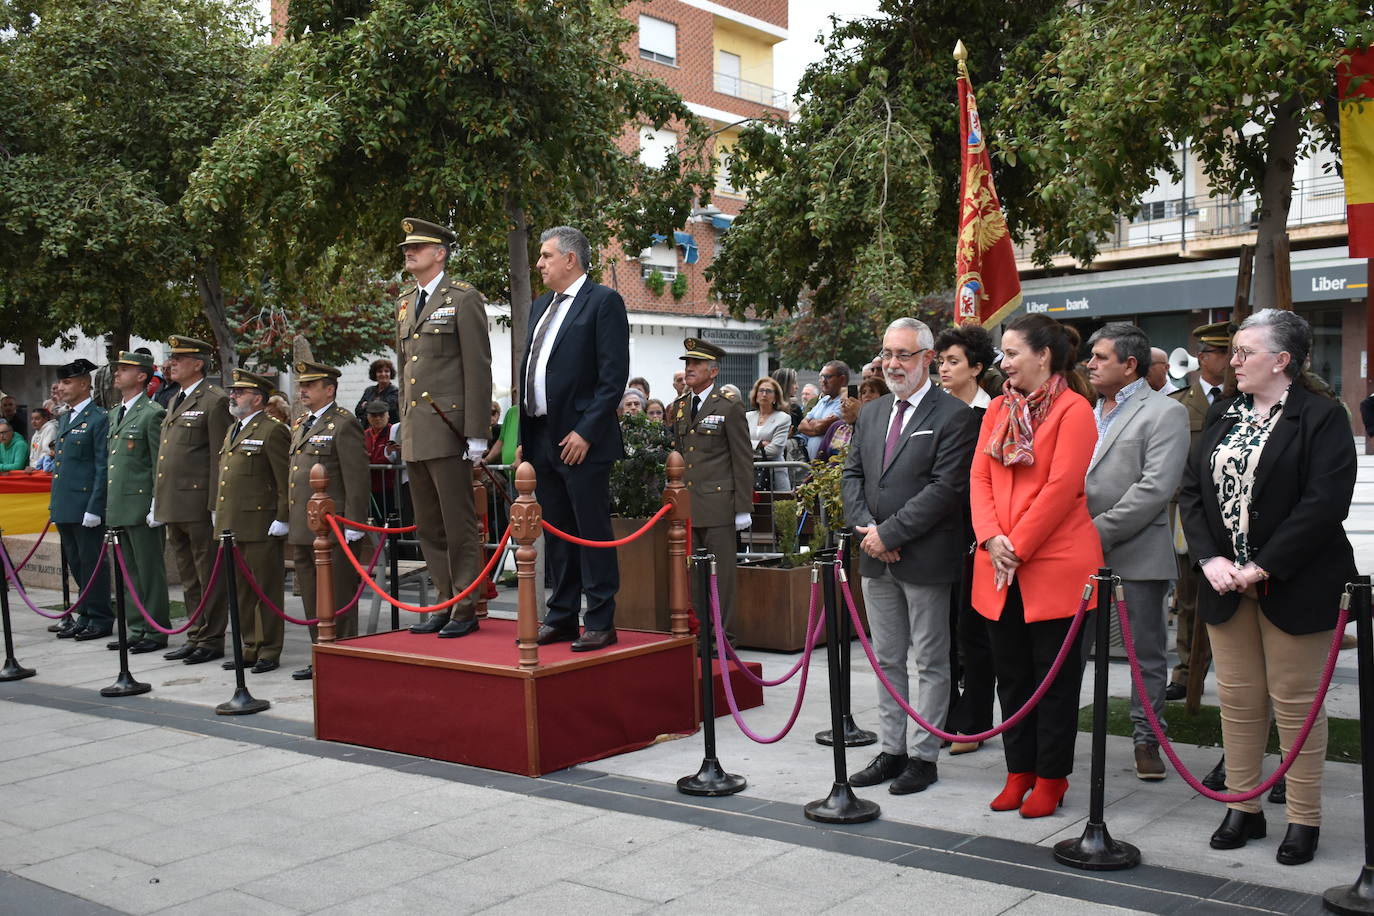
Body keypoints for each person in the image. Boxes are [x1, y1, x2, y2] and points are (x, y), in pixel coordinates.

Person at [1179, 309, 1355, 867]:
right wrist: (1209, 558)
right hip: (1223, 584)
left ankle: (1303, 818)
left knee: (1297, 705)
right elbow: (1192, 491)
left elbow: (1324, 504)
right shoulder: (1225, 412)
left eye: (1244, 352)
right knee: (1237, 700)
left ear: (1281, 360)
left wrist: (1263, 566)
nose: (1232, 361)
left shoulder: (1321, 416)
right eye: (1232, 352)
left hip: (1295, 583)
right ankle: (1243, 805)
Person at [970, 314, 1103, 818]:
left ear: (1043, 356)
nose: (1003, 363)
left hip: (1055, 567)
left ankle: (1051, 777)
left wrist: (1016, 544)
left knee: (1055, 684)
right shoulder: (999, 407)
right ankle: (1017, 771)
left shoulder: (1074, 410)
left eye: (1012, 353)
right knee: (1013, 679)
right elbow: (979, 476)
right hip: (999, 565)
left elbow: (1061, 488)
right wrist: (991, 538)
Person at [841, 318, 980, 795]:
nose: (892, 363)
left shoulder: (954, 415)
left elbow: (946, 489)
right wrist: (870, 532)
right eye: (887, 353)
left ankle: (924, 756)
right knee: (886, 659)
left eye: (904, 354)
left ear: (928, 359)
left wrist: (892, 532)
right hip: (876, 556)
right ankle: (892, 749)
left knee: (932, 660)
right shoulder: (873, 411)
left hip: (924, 558)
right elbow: (853, 475)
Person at [1082, 323, 1189, 781]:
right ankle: (1056, 735)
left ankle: (1148, 738)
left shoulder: (1164, 412)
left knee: (1145, 653)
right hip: (1076, 555)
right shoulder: (1083, 411)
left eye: (1101, 357)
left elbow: (1155, 488)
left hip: (1136, 552)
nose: (1090, 364)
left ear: (1130, 365)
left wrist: (1094, 532)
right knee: (1070, 650)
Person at [518, 226, 628, 652]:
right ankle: (561, 616)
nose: (540, 264)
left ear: (570, 259)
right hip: (542, 434)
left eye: (546, 256)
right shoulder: (541, 306)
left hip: (582, 439)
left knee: (590, 531)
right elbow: (533, 369)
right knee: (559, 533)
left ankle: (600, 620)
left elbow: (612, 377)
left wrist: (586, 431)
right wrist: (526, 432)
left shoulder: (603, 302)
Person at [395, 217, 492, 639]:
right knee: (428, 525)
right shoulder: (404, 301)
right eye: (406, 248)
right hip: (418, 431)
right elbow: (406, 370)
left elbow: (477, 367)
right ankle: (444, 600)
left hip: (448, 428)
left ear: (440, 253)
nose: (408, 253)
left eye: (417, 247)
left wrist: (476, 433)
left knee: (457, 524)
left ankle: (466, 605)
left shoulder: (463, 298)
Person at [934, 323, 996, 754]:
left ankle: (973, 720)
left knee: (973, 632)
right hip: (935, 533)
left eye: (953, 361)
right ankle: (942, 713)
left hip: (976, 535)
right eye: (940, 361)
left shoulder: (989, 413)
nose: (943, 369)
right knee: (939, 633)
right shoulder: (932, 409)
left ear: (976, 367)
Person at [287, 361, 369, 680]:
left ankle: (343, 652)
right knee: (310, 593)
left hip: (334, 527)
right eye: (301, 385)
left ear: (329, 389)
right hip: (304, 524)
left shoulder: (343, 423)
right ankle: (320, 652)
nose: (302, 390)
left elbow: (356, 477)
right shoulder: (302, 424)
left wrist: (354, 523)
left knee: (338, 592)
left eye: (310, 385)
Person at [1166, 320, 1234, 703]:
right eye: (1219, 352)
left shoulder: (1245, 400)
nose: (1225, 360)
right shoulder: (1179, 403)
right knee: (1189, 597)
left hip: (1232, 514)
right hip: (1190, 514)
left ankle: (1231, 669)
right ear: (1203, 358)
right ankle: (1187, 671)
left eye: (1228, 352)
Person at [668, 339, 752, 642]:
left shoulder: (728, 405)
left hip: (719, 504)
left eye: (696, 364)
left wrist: (743, 506)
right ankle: (701, 634)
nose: (689, 369)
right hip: (689, 506)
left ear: (713, 371)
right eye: (687, 364)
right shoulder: (679, 407)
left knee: (722, 577)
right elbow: (678, 454)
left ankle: (724, 637)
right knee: (694, 577)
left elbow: (742, 457)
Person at [157, 336, 232, 666]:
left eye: (179, 358)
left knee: (207, 573)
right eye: (172, 358)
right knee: (188, 574)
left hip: (200, 503)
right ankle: (195, 632)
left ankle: (212, 638)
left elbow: (220, 456)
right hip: (175, 502)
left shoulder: (214, 401)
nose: (172, 363)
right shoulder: (175, 399)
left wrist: (217, 503)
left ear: (198, 363)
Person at [216, 368, 291, 673]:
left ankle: (269, 649)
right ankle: (249, 645)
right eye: (233, 391)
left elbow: (284, 479)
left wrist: (283, 518)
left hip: (261, 524)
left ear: (257, 399)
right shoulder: (233, 429)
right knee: (241, 591)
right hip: (232, 524)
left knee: (265, 590)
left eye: (239, 392)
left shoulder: (272, 430)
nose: (232, 395)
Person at [104, 351, 171, 654]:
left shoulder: (152, 413)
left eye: (125, 369)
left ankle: (155, 631)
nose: (117, 374)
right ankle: (136, 627)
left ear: (142, 376)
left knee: (149, 571)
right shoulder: (115, 412)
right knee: (127, 572)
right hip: (119, 505)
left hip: (142, 507)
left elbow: (158, 463)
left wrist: (158, 503)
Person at [49, 358, 113, 640]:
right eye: (61, 382)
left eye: (67, 382)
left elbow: (101, 466)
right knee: (76, 563)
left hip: (86, 506)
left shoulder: (98, 418)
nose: (61, 387)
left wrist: (95, 507)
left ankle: (100, 617)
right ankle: (85, 613)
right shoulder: (66, 418)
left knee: (92, 563)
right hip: (66, 505)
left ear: (85, 384)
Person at [746, 376, 791, 491]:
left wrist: (748, 449)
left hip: (774, 476)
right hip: (749, 475)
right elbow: (738, 445)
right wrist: (759, 444)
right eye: (761, 390)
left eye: (769, 391)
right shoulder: (747, 417)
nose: (764, 394)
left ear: (776, 396)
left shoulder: (783, 418)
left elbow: (775, 451)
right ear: (756, 395)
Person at [798, 362, 848, 458]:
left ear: (842, 379)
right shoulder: (823, 400)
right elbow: (801, 426)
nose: (823, 381)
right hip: (814, 466)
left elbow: (822, 427)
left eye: (828, 377)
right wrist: (818, 427)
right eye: (821, 377)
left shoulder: (845, 401)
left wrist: (812, 422)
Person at [365, 400, 401, 520]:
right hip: (370, 488)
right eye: (374, 416)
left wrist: (373, 461)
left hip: (391, 487)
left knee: (392, 521)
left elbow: (393, 457)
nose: (378, 419)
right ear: (368, 417)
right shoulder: (364, 435)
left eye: (381, 415)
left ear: (388, 415)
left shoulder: (394, 432)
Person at [354, 358, 400, 425]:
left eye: (386, 371)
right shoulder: (369, 391)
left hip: (389, 431)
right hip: (369, 431)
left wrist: (366, 405)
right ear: (375, 374)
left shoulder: (395, 392)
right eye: (380, 371)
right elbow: (358, 411)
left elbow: (386, 408)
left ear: (391, 373)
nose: (383, 374)